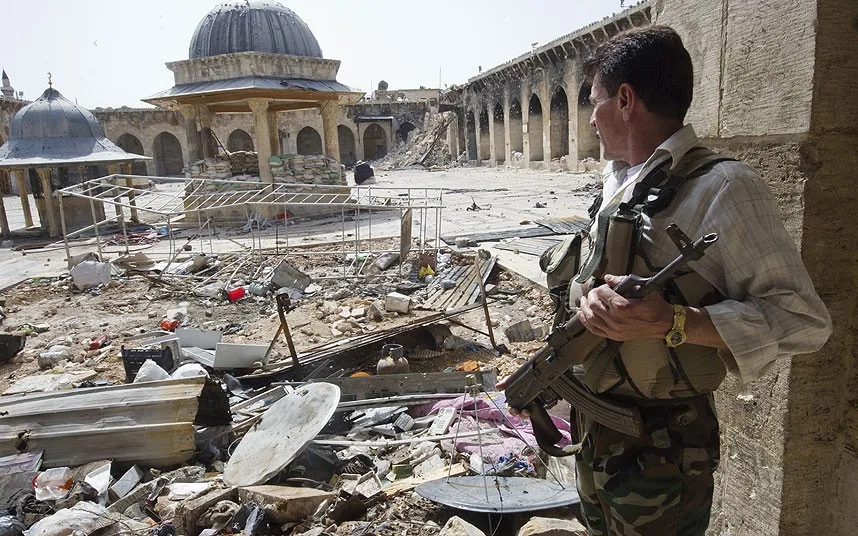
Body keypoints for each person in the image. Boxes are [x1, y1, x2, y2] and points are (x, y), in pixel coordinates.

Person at [506, 26, 832, 535]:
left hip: (663, 449)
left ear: (627, 100)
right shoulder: (620, 183)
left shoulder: (723, 188)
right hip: (598, 433)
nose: (590, 117)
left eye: (594, 101)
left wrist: (674, 321)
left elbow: (805, 322)